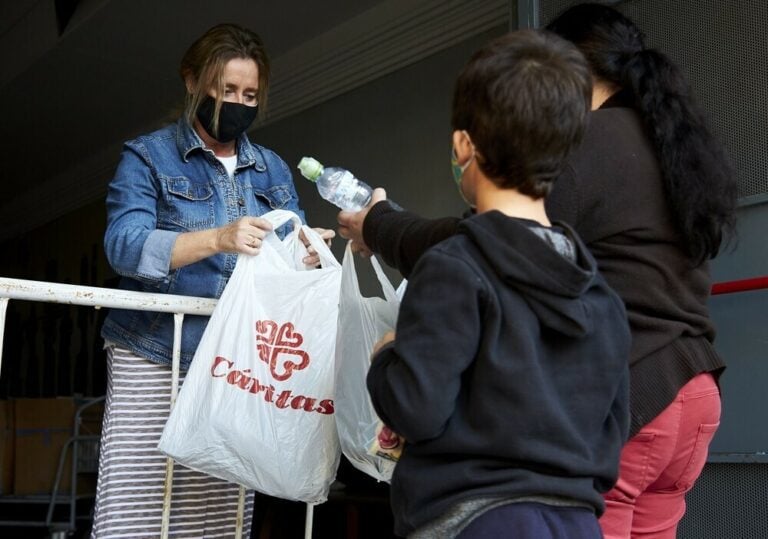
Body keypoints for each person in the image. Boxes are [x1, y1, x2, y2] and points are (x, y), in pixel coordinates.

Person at [340, 4, 738, 538]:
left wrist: (380, 225)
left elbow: (483, 242)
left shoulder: (591, 142)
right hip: (692, 394)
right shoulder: (663, 139)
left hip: (640, 387)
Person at [365, 28, 631, 539]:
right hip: (577, 522)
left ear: (464, 144)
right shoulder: (601, 296)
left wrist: (388, 357)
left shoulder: (454, 267)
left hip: (474, 521)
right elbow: (612, 429)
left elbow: (417, 408)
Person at [96, 23, 333, 538]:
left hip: (235, 361)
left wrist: (306, 253)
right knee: (140, 502)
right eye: (227, 91)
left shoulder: (271, 170)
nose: (239, 104)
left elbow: (283, 262)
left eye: (250, 94)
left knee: (216, 510)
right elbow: (123, 245)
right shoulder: (148, 157)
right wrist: (218, 238)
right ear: (192, 82)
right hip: (154, 351)